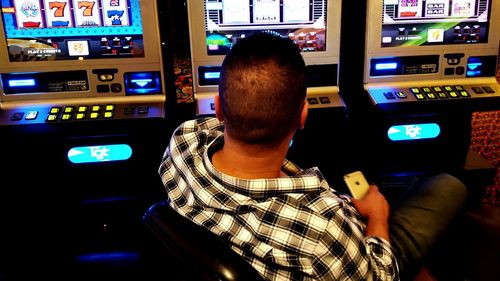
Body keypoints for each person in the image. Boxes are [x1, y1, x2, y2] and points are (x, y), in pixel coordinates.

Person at [158, 32, 468, 280]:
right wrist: (376, 217)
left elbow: (216, 122)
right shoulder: (324, 230)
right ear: (304, 116)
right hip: (358, 251)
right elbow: (379, 275)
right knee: (448, 187)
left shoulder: (185, 142)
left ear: (219, 107)